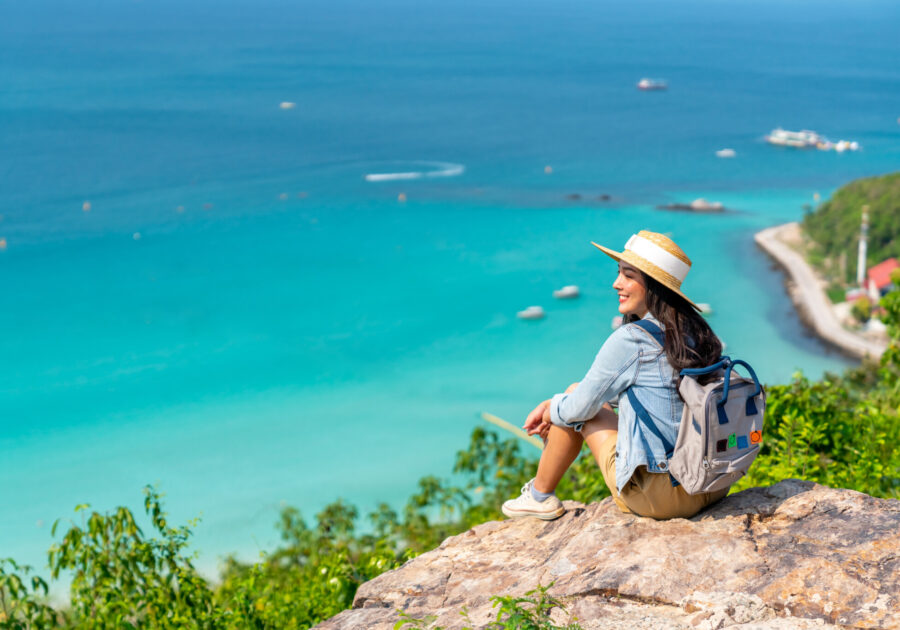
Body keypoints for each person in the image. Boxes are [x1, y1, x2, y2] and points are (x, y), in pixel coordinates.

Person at [502, 230, 728, 521]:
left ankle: (539, 496)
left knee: (572, 397)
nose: (616, 283)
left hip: (662, 496)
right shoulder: (695, 331)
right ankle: (538, 493)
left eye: (628, 275)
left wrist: (551, 406)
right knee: (575, 397)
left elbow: (579, 409)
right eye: (619, 273)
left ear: (654, 286)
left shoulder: (632, 339)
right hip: (713, 484)